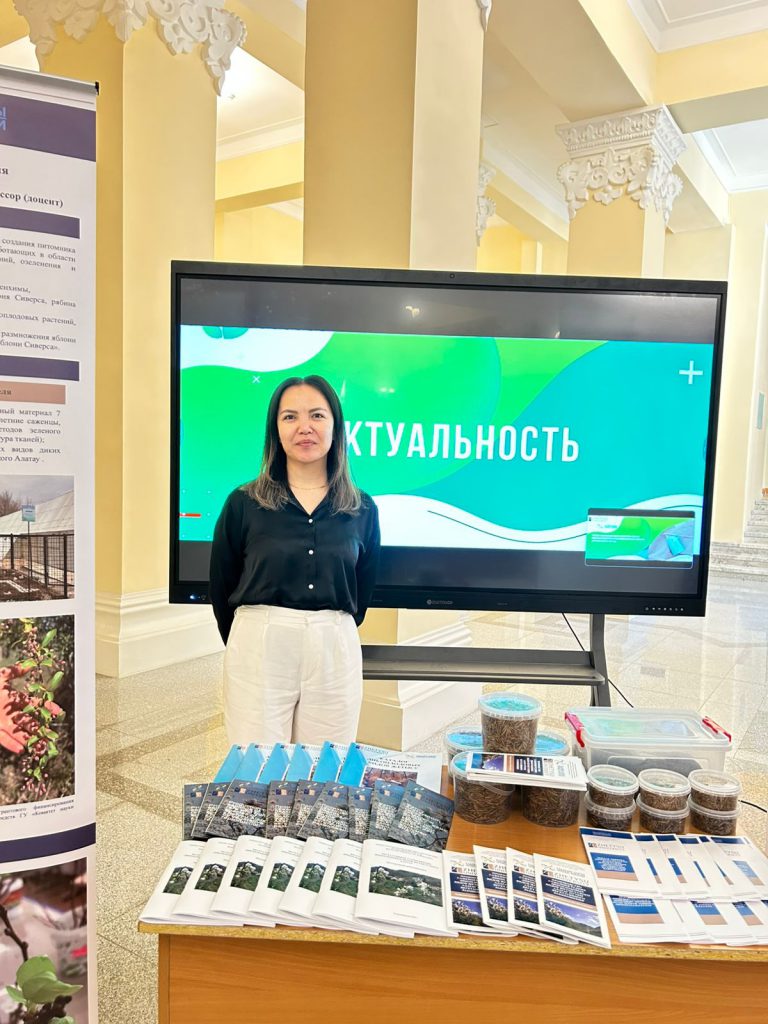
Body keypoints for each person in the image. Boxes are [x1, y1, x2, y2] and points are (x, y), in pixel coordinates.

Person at [209, 374, 381, 746]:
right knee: (257, 766)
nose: (304, 427)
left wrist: (320, 631)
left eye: (317, 415)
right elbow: (221, 585)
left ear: (336, 427)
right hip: (259, 647)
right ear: (275, 429)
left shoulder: (362, 508)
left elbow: (362, 590)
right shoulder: (243, 503)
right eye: (290, 417)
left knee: (326, 767)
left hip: (334, 649)